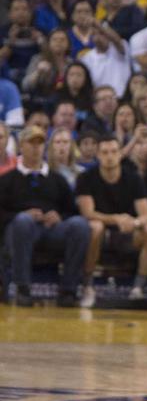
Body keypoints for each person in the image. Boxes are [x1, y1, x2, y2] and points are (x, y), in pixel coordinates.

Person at [0, 126, 91, 307]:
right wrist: (20, 214)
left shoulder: (57, 179)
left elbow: (72, 210)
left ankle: (69, 290)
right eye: (31, 143)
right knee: (23, 222)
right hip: (19, 231)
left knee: (80, 225)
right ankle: (22, 288)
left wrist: (59, 216)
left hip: (52, 230)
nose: (35, 147)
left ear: (44, 147)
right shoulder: (7, 179)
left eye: (40, 143)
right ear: (21, 146)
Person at [75, 134, 147, 306]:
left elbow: (146, 216)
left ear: (120, 154)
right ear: (97, 155)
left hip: (127, 232)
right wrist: (116, 219)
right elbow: (88, 213)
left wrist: (134, 223)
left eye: (114, 151)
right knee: (95, 227)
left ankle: (138, 288)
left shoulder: (133, 178)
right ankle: (87, 285)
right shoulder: (86, 177)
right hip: (101, 232)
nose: (109, 156)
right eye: (105, 152)